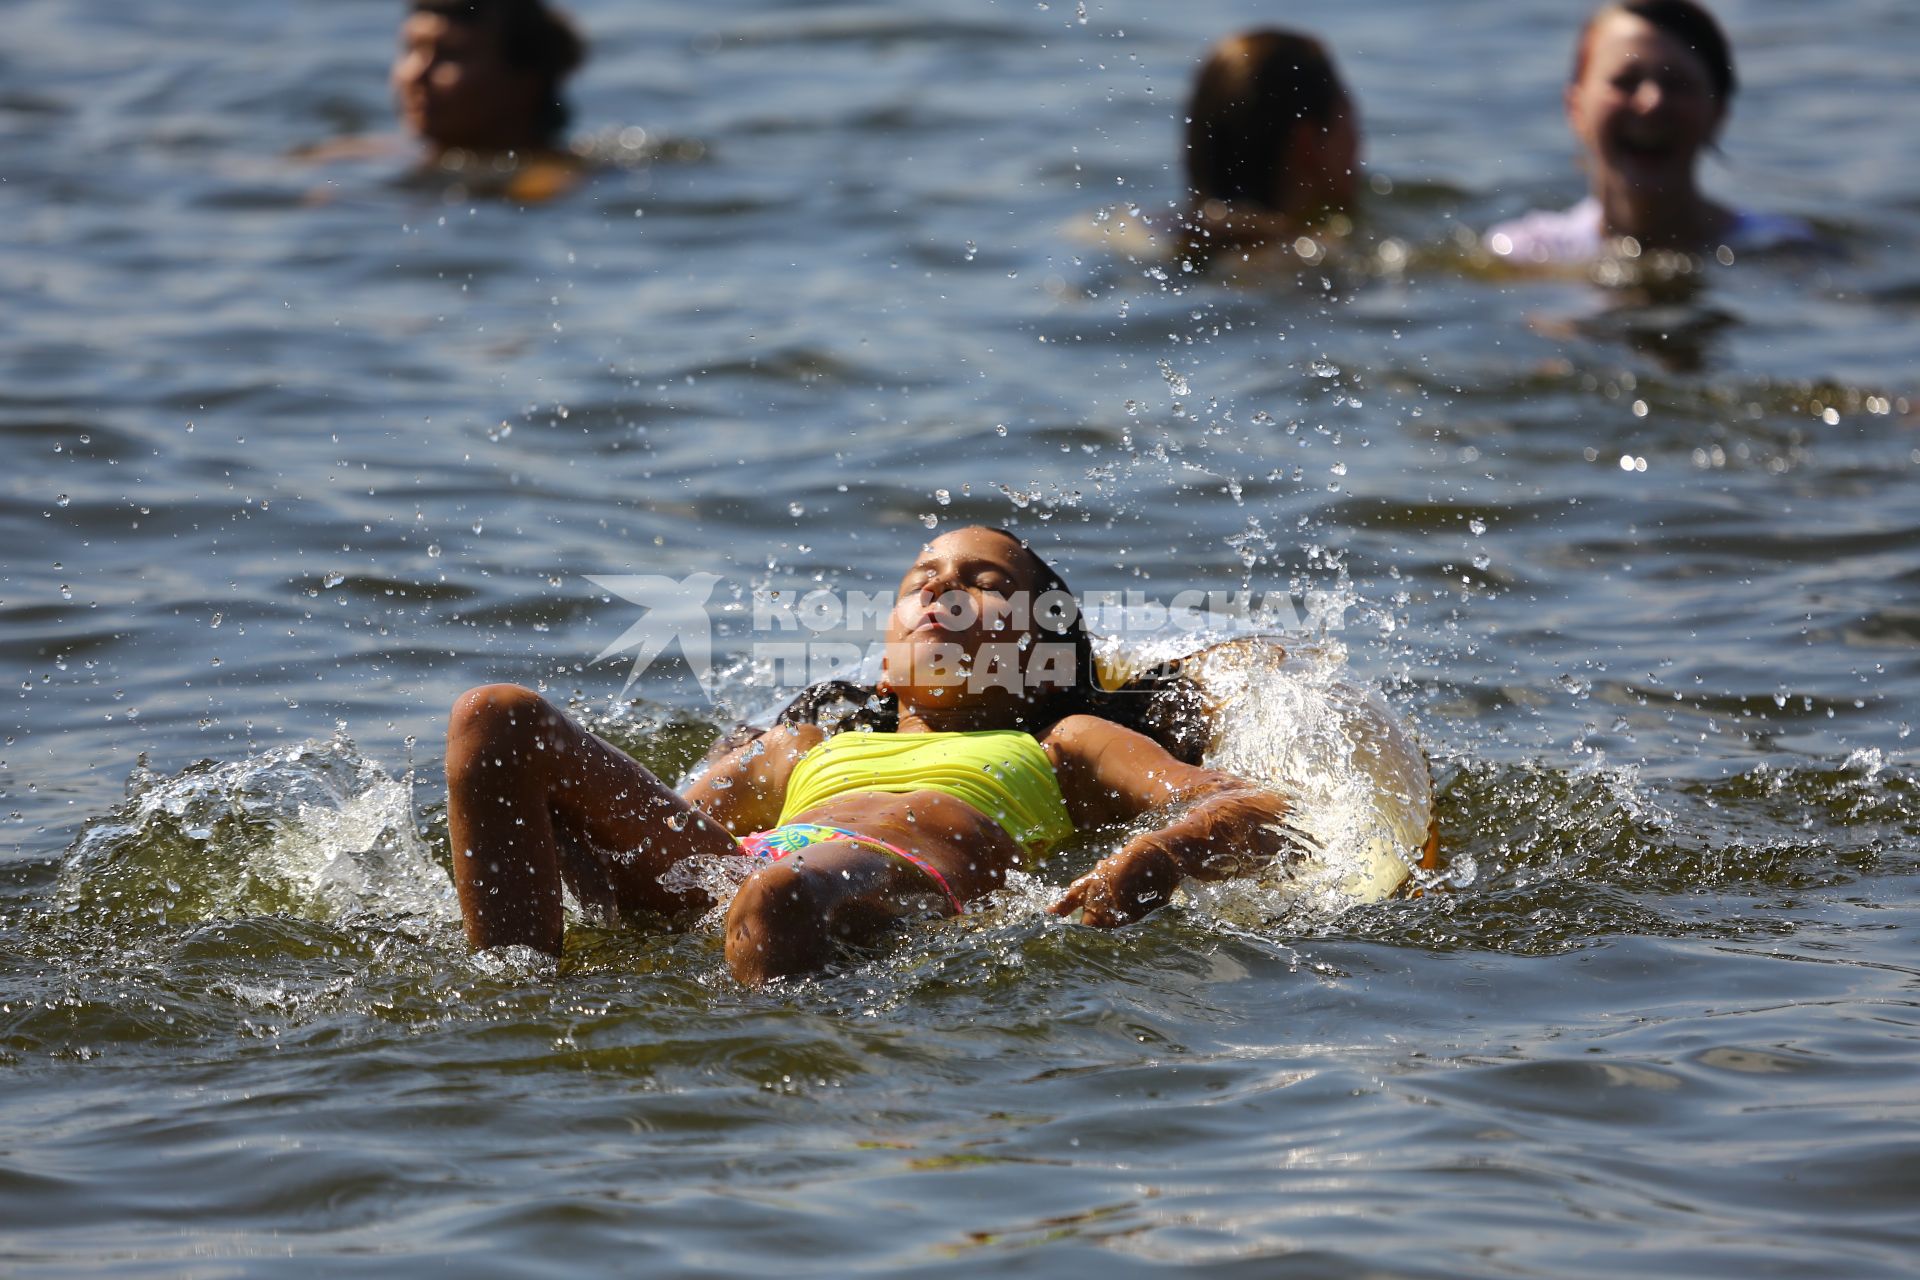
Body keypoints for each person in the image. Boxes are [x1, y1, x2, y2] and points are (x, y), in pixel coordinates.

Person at [445, 526, 1307, 985]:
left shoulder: (1060, 742)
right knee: (496, 715)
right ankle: (509, 1009)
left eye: (984, 582)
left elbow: (1257, 804)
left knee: (779, 892)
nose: (940, 586)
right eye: (920, 578)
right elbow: (668, 834)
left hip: (886, 886)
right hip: (744, 875)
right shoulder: (803, 747)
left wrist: (1148, 858)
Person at [1486, 0, 1814, 264]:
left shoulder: (1779, 252)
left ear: (1718, 114)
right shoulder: (1522, 254)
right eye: (1625, 82)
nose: (1652, 103)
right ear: (1576, 107)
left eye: (1676, 84)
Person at [300, 0, 588, 202]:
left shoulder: (550, 179)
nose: (416, 74)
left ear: (527, 77)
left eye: (450, 54)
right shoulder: (354, 155)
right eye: (410, 49)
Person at [1178, 29, 1360, 257]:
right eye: (1351, 123)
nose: (1359, 146)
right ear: (1310, 142)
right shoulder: (1320, 255)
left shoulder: (1156, 234)